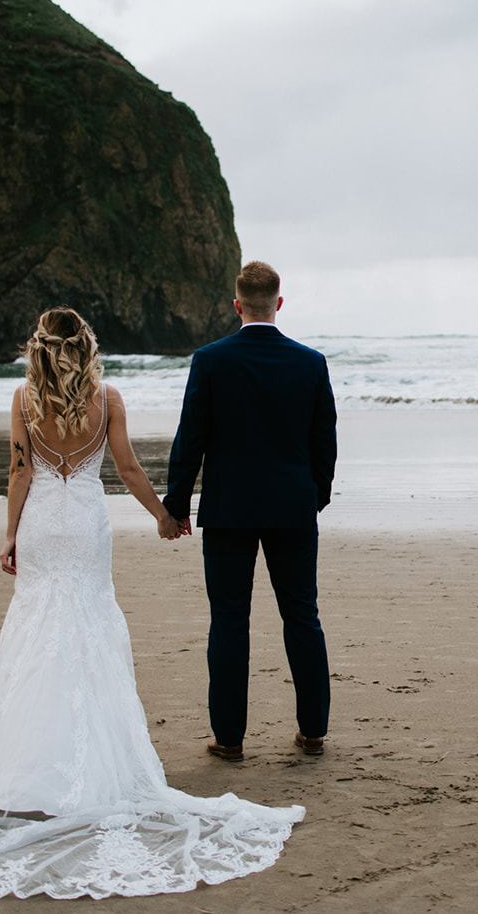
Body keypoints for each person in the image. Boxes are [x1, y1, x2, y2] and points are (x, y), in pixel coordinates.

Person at [0, 307, 303, 900]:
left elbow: (18, 472)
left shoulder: (24, 399)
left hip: (41, 526)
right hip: (85, 526)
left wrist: (10, 534)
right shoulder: (107, 398)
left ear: (40, 347)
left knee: (36, 635)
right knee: (88, 629)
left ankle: (26, 775)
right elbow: (129, 469)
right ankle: (91, 773)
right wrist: (164, 515)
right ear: (85, 347)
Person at [163, 261, 338, 761]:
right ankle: (313, 732)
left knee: (229, 620)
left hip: (229, 509)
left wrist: (176, 506)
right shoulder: (310, 362)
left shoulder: (210, 360)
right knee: (302, 617)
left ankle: (230, 739)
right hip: (293, 508)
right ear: (278, 304)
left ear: (237, 305)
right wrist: (313, 497)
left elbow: (189, 439)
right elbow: (324, 441)